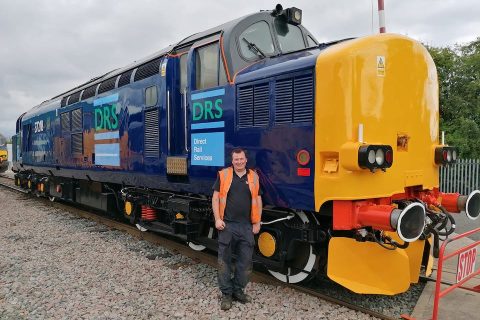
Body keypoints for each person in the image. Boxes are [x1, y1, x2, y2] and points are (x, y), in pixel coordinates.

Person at [212, 148, 262, 310]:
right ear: (232, 161)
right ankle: (227, 294)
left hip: (247, 226)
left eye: (241, 159)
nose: (239, 162)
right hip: (227, 225)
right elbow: (215, 197)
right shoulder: (224, 175)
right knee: (224, 261)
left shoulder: (253, 177)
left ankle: (238, 290)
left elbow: (258, 199)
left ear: (246, 160)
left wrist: (257, 222)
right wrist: (217, 219)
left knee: (246, 262)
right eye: (236, 159)